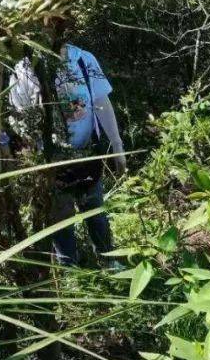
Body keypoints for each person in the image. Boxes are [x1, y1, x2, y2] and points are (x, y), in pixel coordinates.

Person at [9, 42, 125, 266]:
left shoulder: (82, 59)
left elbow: (101, 100)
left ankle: (108, 261)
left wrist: (117, 146)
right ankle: (71, 272)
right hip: (51, 161)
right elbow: (20, 119)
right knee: (61, 221)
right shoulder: (23, 69)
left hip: (87, 154)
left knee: (95, 211)